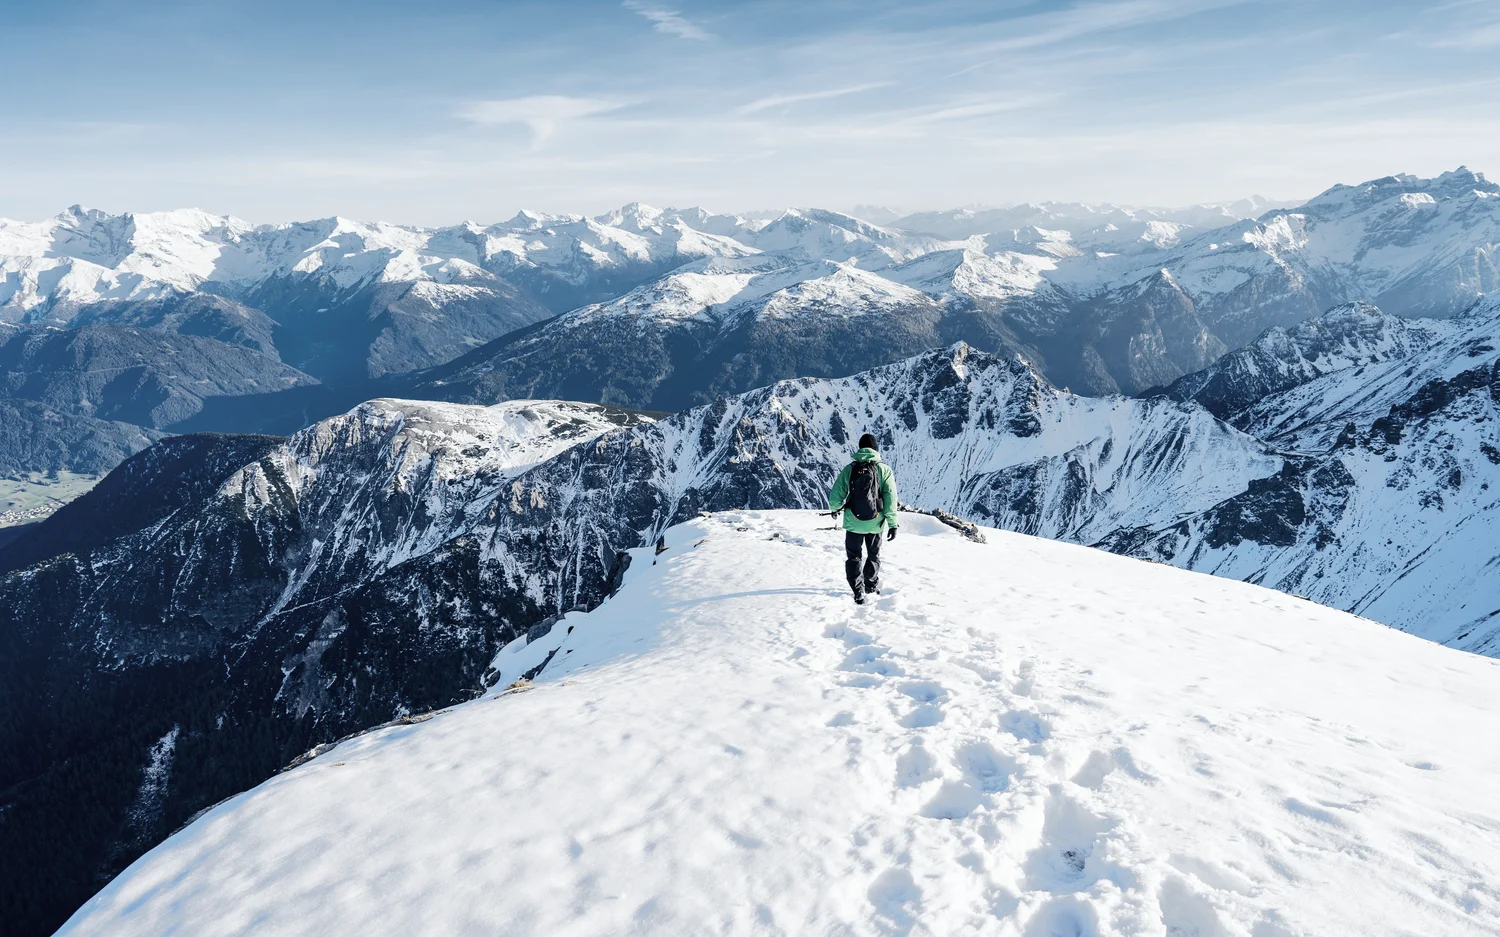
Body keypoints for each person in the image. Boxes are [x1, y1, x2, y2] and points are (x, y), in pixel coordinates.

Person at [827, 432, 899, 604]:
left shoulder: (850, 469)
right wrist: (892, 523)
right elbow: (890, 498)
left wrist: (835, 509)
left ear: (859, 448)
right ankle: (870, 585)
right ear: (875, 449)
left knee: (854, 557)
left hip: (853, 523)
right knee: (873, 555)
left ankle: (857, 591)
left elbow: (836, 494)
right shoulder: (884, 470)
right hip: (876, 522)